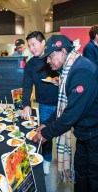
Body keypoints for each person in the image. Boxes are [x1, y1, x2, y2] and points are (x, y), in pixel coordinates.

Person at [33, 34, 98, 192]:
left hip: (95, 134)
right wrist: (46, 123)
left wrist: (46, 133)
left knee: (94, 177)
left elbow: (70, 114)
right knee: (81, 174)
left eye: (50, 57)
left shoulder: (81, 71)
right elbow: (64, 107)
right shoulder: (69, 69)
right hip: (84, 134)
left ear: (63, 51)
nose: (48, 61)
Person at [21, 31, 58, 175]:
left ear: (43, 42)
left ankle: (66, 165)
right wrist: (26, 104)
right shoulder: (30, 65)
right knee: (45, 134)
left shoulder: (54, 57)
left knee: (64, 138)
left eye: (34, 44)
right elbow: (26, 86)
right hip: (45, 105)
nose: (32, 48)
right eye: (29, 46)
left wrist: (60, 82)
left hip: (62, 103)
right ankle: (46, 160)